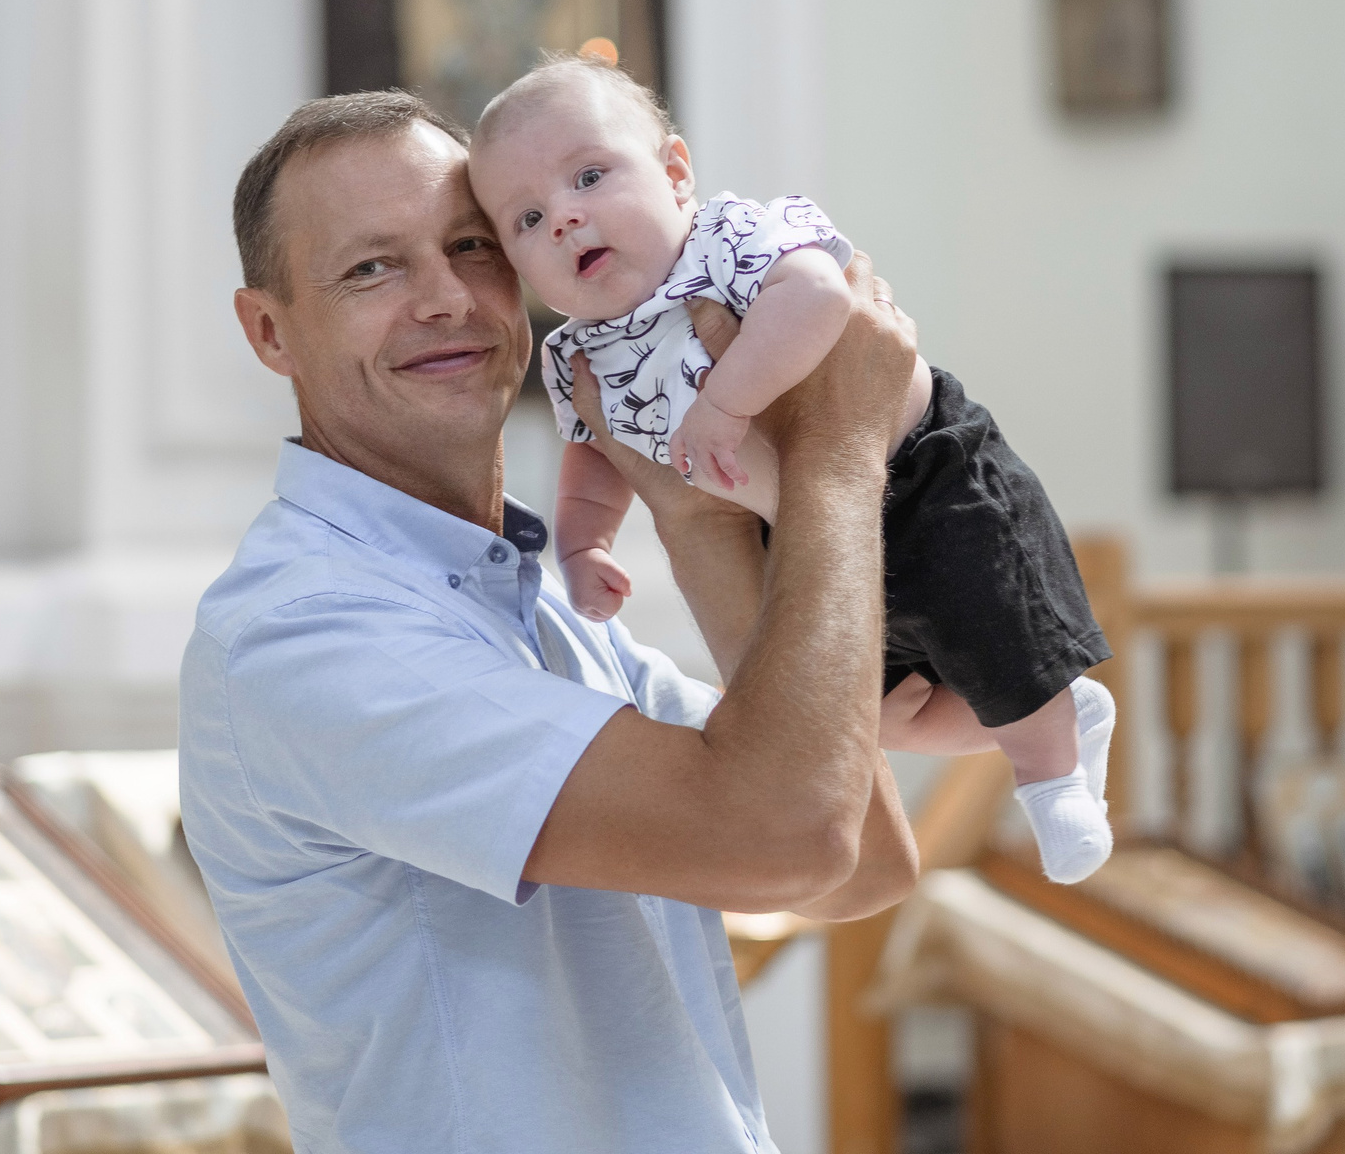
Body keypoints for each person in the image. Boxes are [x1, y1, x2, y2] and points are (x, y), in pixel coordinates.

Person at [180, 89, 921, 1154]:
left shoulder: (533, 593)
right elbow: (789, 832)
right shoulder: (305, 628)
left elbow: (860, 854)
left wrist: (696, 513)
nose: (444, 298)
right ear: (270, 328)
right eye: (371, 269)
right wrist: (835, 451)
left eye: (472, 246)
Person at [468, 53, 1117, 884]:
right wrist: (587, 543)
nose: (563, 218)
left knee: (993, 631)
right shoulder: (579, 355)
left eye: (589, 177)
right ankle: (1061, 713)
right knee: (874, 713)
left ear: (674, 173)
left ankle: (1052, 777)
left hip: (919, 471)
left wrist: (730, 402)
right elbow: (597, 457)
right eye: (525, 219)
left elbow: (819, 297)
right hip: (798, 528)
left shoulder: (725, 241)